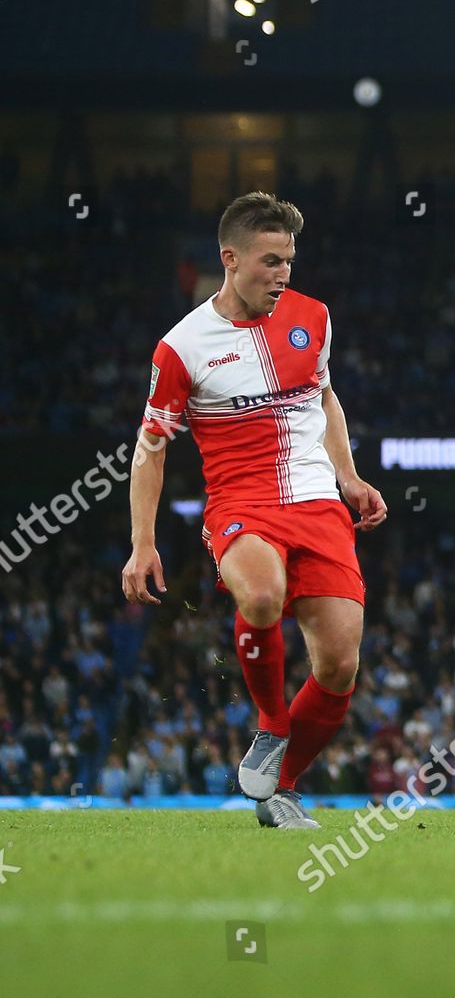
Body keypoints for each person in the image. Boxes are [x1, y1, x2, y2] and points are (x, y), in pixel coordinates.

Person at [121, 191, 387, 829]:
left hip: (319, 503)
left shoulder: (312, 317)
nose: (282, 274)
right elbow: (149, 450)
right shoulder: (181, 347)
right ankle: (272, 724)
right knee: (262, 597)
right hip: (242, 504)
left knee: (340, 665)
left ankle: (280, 790)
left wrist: (349, 476)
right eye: (269, 261)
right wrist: (142, 541)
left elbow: (324, 399)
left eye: (289, 261)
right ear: (230, 259)